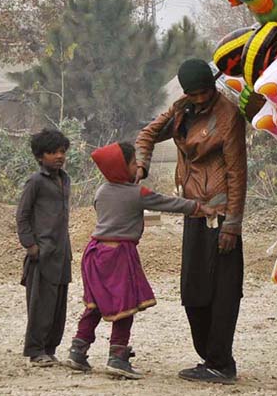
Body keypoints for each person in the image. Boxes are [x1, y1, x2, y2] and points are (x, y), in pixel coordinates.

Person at [135, 58, 247, 385]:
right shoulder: (182, 109)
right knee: (193, 288)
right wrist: (141, 166)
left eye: (204, 93)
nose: (200, 99)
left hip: (220, 214)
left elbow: (237, 173)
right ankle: (209, 357)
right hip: (194, 210)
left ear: (213, 86)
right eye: (193, 93)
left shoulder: (228, 117)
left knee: (222, 290)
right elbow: (147, 134)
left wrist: (232, 225)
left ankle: (220, 362)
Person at [64, 141, 217, 379]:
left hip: (94, 253)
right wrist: (199, 207)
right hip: (119, 255)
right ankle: (117, 356)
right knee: (125, 305)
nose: (139, 167)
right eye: (134, 163)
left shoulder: (101, 191)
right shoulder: (138, 194)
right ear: (122, 168)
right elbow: (169, 203)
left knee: (94, 303)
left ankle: (78, 350)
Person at [16, 128, 72, 366]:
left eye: (62, 151)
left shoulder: (65, 179)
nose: (59, 156)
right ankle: (36, 350)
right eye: (52, 152)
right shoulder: (35, 182)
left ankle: (50, 349)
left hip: (62, 253)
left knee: (59, 306)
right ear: (40, 156)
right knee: (41, 304)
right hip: (43, 254)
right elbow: (22, 216)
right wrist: (31, 245)